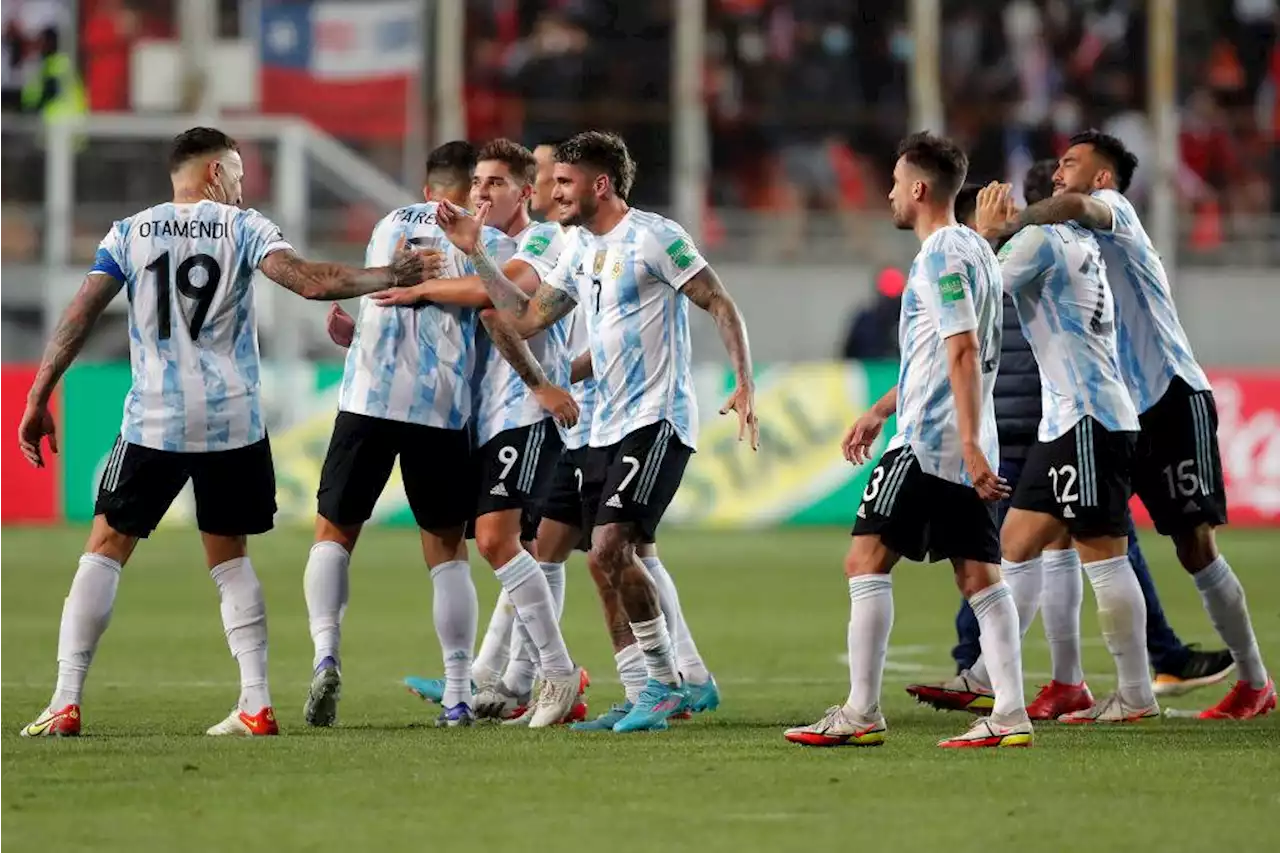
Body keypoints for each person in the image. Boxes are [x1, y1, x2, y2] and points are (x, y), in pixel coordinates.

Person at [16, 126, 430, 737]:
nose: (242, 185)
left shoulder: (129, 232)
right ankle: (256, 703)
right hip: (232, 420)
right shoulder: (244, 227)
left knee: (105, 548)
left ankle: (66, 699)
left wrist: (39, 392)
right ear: (213, 174)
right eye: (236, 173)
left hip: (154, 416)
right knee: (230, 556)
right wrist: (389, 275)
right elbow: (311, 282)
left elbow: (81, 313)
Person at [434, 130, 756, 733]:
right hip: (597, 426)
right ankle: (642, 690)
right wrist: (477, 252)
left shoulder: (656, 237)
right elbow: (526, 318)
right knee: (594, 559)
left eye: (564, 182)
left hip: (654, 419)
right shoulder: (579, 248)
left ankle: (666, 684)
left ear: (599, 184)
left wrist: (744, 382)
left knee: (613, 548)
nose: (555, 193)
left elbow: (718, 301)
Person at [913, 167, 1233, 720]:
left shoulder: (1040, 241)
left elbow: (978, 287)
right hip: (1073, 421)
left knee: (1094, 552)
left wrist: (985, 234)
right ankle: (1019, 678)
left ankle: (1129, 692)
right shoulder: (1078, 241)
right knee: (1023, 545)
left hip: (1087, 418)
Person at [983, 130, 1274, 720]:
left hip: (1169, 398)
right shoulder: (1067, 245)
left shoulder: (1112, 211)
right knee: (1071, 532)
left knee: (1194, 547)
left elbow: (1069, 205)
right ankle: (1074, 681)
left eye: (1072, 163)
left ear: (1103, 178)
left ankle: (1253, 679)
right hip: (1115, 409)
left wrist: (1010, 224)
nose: (1059, 172)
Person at [304, 140, 585, 730]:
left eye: (496, 183)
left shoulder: (530, 240)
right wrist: (366, 330)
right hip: (457, 412)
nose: (483, 193)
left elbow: (501, 298)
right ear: (459, 190)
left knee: (496, 543)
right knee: (482, 547)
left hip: (504, 408)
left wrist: (419, 291)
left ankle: (547, 674)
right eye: (478, 182)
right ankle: (482, 684)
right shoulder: (485, 240)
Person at [784, 132, 1031, 750]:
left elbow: (963, 349)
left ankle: (862, 711)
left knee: (865, 560)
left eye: (896, 183)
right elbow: (934, 354)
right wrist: (877, 408)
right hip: (960, 437)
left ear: (919, 189)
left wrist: (966, 442)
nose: (889, 193)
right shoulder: (975, 249)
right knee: (980, 575)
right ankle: (1010, 714)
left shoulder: (942, 255)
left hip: (930, 443)